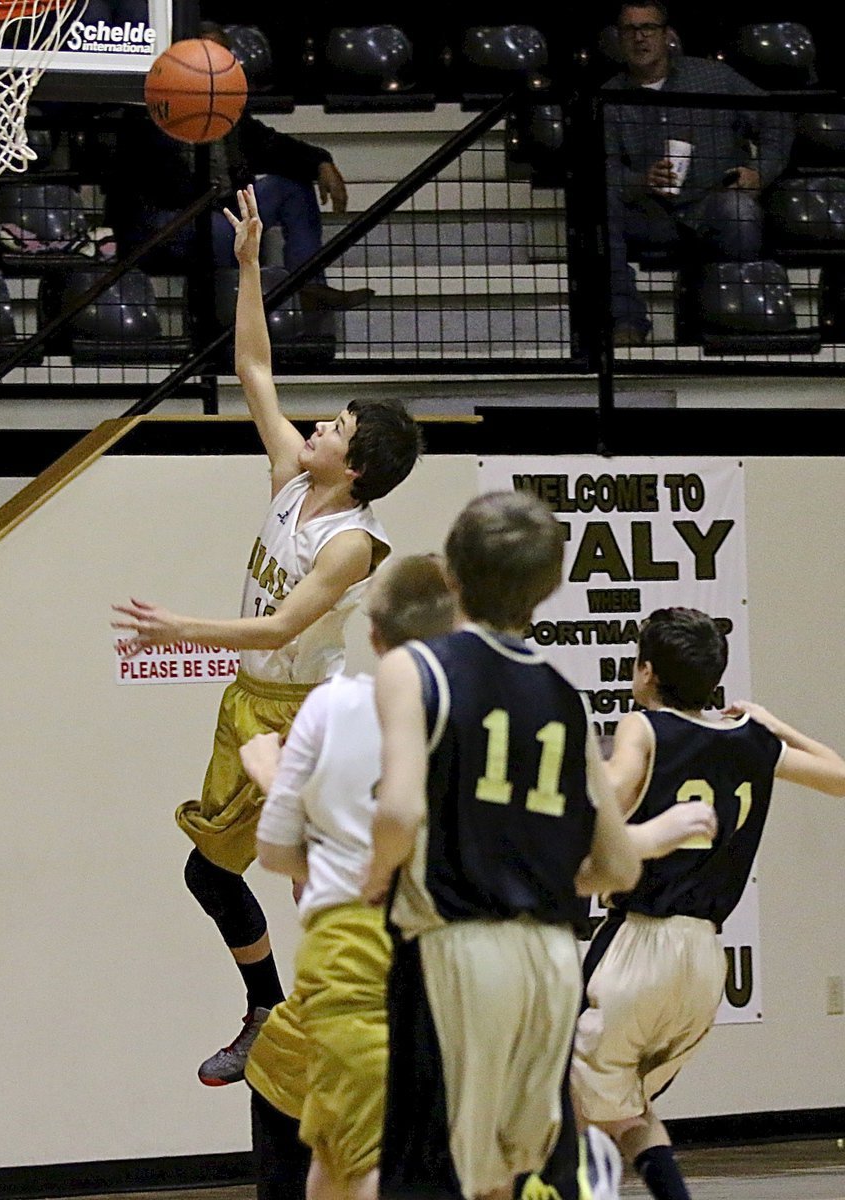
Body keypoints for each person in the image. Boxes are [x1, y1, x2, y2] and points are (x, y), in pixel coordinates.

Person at [112, 184, 422, 1087]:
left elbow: (287, 623)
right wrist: (249, 267)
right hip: (247, 705)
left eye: (337, 428)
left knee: (312, 874)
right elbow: (254, 370)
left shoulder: (353, 541)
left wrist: (180, 629)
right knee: (209, 876)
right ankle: (264, 1005)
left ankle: (373, 1008)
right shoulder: (292, 475)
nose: (318, 425)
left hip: (307, 713)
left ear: (355, 466)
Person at [363, 489, 642, 1200]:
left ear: (451, 573)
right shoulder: (563, 695)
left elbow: (396, 809)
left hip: (456, 951)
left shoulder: (415, 668)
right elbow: (618, 865)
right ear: (548, 589)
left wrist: (375, 874)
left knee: (433, 1178)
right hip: (551, 960)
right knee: (513, 1181)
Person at [571, 606, 845, 1200]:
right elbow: (842, 777)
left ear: (645, 671)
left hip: (636, 944)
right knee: (629, 1105)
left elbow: (604, 810)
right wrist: (776, 724)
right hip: (702, 964)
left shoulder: (644, 728)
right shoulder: (752, 741)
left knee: (562, 1104)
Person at [242, 554, 459, 1200]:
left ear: (372, 634)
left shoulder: (338, 709)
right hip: (477, 983)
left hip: (364, 980)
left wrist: (272, 778)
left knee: (354, 1166)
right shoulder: (509, 718)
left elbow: (285, 861)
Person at [103, 25, 371, 311]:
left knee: (290, 188)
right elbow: (147, 188)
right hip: (163, 223)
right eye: (208, 58)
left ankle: (307, 286)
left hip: (221, 210)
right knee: (217, 228)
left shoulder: (227, 108)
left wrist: (320, 161)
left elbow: (270, 144)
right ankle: (229, 315)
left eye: (222, 59)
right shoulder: (149, 110)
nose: (216, 67)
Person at [602, 1, 793, 346]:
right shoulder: (609, 97)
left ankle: (730, 320)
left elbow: (776, 120)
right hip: (652, 215)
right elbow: (605, 168)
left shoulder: (712, 78)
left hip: (713, 203)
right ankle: (627, 321)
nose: (640, 37)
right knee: (599, 207)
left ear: (666, 35)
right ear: (618, 38)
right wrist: (640, 179)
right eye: (630, 30)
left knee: (739, 212)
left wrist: (760, 172)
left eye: (648, 28)